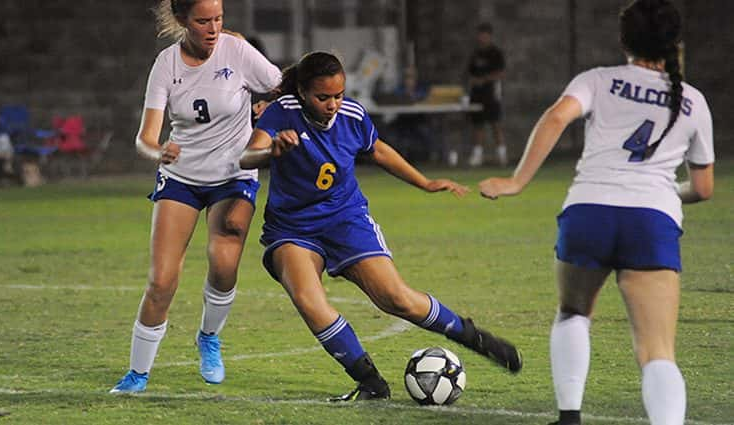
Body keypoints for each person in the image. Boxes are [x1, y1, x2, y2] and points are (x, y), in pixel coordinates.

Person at [477, 1, 714, 424]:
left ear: (623, 39)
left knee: (573, 312)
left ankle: (570, 416)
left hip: (588, 212)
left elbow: (554, 118)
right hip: (650, 221)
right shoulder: (693, 102)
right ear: (675, 42)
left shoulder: (598, 80)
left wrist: (516, 182)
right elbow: (702, 188)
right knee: (657, 351)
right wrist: (661, 192)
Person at [239, 51, 522, 401]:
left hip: (346, 219)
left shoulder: (353, 115)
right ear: (302, 91)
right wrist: (271, 152)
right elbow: (247, 156)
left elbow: (379, 151)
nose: (332, 104)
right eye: (322, 97)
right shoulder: (283, 112)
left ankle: (472, 336)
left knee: (397, 299)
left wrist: (425, 182)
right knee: (309, 300)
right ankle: (370, 382)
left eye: (338, 96)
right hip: (293, 229)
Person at [110, 0, 281, 393]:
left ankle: (208, 336)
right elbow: (145, 139)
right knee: (162, 281)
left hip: (233, 174)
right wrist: (159, 152)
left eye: (219, 18)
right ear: (183, 20)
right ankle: (137, 375)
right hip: (181, 177)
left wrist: (269, 109)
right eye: (204, 20)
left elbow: (281, 86)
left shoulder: (237, 50)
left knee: (223, 262)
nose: (213, 27)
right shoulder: (166, 64)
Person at [455, 23, 507, 167]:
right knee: (478, 125)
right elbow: (469, 73)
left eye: (485, 35)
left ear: (489, 36)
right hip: (477, 95)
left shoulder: (496, 53)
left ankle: (502, 155)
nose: (482, 38)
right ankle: (477, 155)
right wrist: (472, 81)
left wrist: (484, 79)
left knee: (496, 124)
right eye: (480, 34)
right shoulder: (475, 54)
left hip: (492, 94)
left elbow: (500, 73)